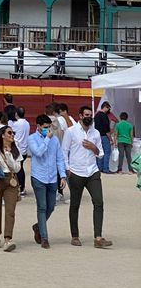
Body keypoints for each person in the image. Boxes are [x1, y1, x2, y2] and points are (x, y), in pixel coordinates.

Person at [63, 105, 111, 248]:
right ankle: (75, 236)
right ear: (80, 116)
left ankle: (98, 237)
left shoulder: (95, 133)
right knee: (75, 205)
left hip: (92, 171)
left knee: (99, 202)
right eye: (86, 115)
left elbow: (100, 153)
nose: (88, 117)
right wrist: (67, 169)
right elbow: (64, 151)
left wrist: (93, 147)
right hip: (76, 172)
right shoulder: (71, 132)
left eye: (90, 115)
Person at [27, 115, 67, 249]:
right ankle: (44, 237)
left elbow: (59, 158)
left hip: (52, 178)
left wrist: (62, 175)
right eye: (45, 127)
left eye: (49, 127)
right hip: (38, 177)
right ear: (38, 126)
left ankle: (38, 226)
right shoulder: (32, 138)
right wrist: (47, 139)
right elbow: (38, 152)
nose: (48, 130)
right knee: (42, 207)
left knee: (51, 206)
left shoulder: (55, 140)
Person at [10, 107, 31, 196]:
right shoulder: (27, 123)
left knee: (17, 169)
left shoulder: (16, 124)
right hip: (24, 149)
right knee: (20, 168)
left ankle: (20, 188)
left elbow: (10, 128)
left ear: (16, 114)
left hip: (17, 149)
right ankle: (21, 188)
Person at [93, 102, 115, 173]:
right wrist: (110, 139)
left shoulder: (96, 115)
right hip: (104, 136)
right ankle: (106, 168)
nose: (109, 110)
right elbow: (106, 129)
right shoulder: (104, 116)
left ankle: (99, 168)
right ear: (105, 107)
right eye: (108, 108)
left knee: (99, 152)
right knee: (107, 152)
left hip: (97, 136)